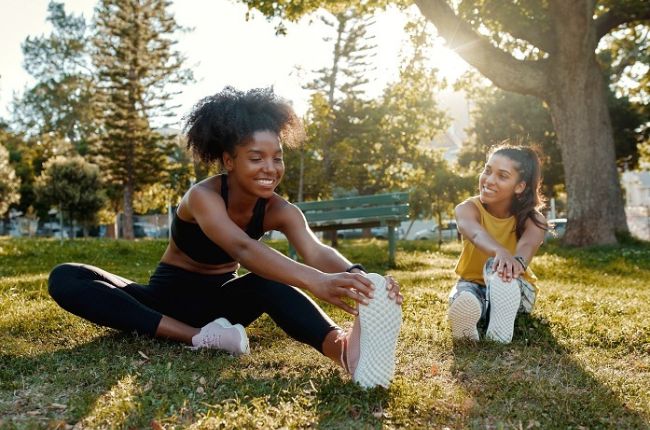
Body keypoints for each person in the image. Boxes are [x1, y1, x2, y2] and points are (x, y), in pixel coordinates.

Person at [48, 87, 403, 388]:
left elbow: (315, 249)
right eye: (256, 157)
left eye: (277, 158)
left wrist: (362, 279)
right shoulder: (203, 197)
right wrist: (317, 282)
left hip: (222, 307)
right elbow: (242, 247)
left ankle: (343, 350)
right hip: (162, 302)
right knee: (66, 276)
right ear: (228, 161)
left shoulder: (280, 209)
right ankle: (198, 338)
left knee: (271, 283)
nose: (270, 168)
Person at [448, 144, 547, 344]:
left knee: (498, 268)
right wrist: (499, 250)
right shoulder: (467, 209)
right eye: (487, 170)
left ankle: (499, 314)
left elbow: (524, 252)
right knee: (464, 297)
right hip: (473, 282)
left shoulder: (534, 220)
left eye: (502, 176)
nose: (489, 180)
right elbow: (475, 233)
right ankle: (473, 316)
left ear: (520, 186)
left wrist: (509, 261)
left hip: (513, 282)